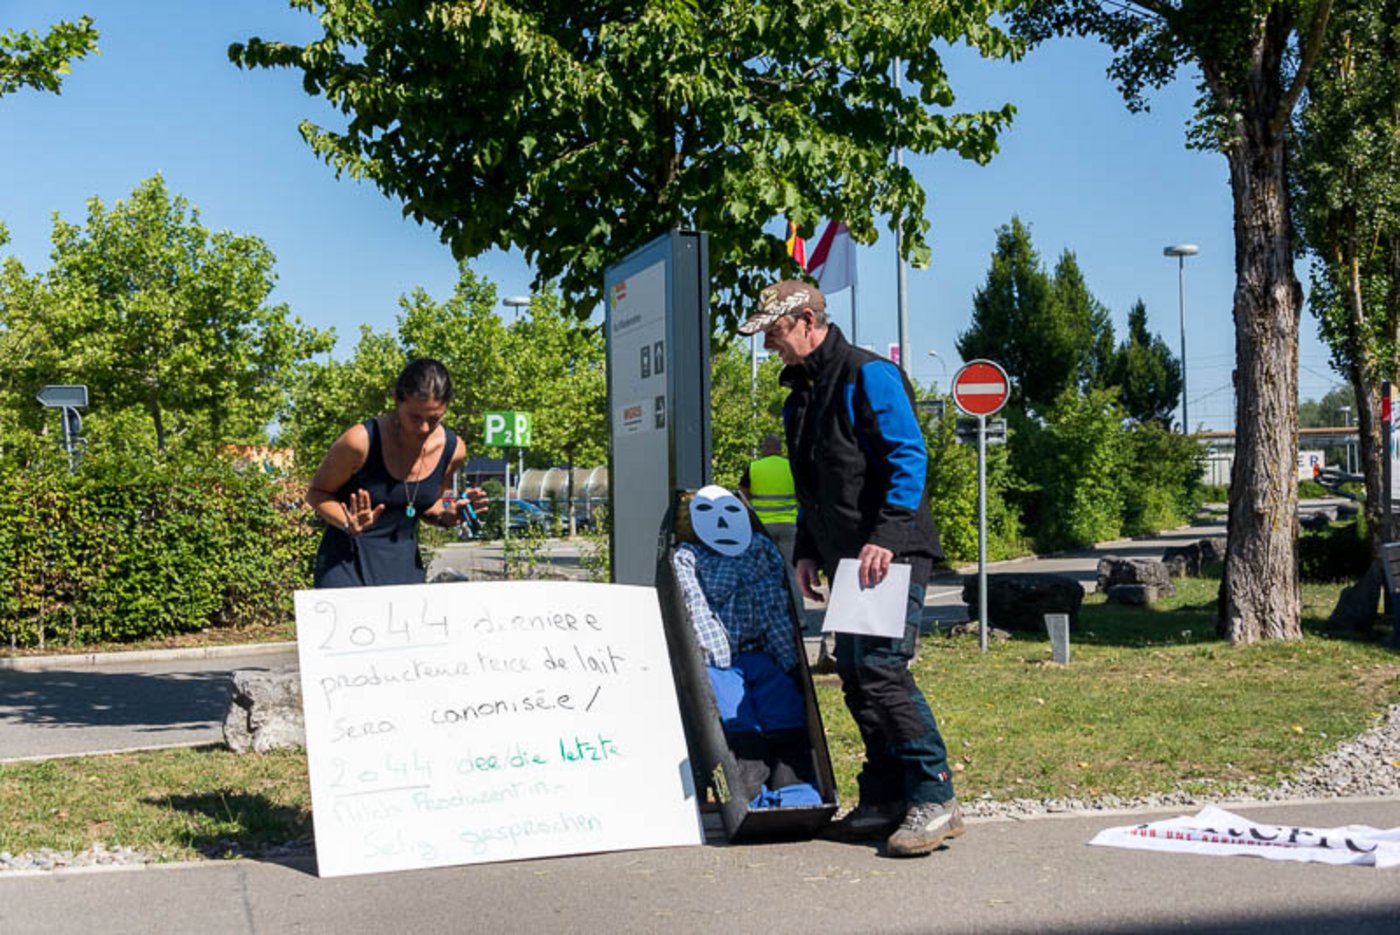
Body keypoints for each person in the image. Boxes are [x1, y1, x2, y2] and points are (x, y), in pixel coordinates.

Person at [737, 279, 960, 858]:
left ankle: (934, 796)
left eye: (776, 333)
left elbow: (908, 454)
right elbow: (813, 488)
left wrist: (886, 535)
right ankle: (885, 797)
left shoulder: (868, 375)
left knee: (882, 670)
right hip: (847, 559)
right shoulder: (799, 400)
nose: (770, 348)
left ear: (809, 321)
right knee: (857, 675)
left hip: (891, 551)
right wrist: (806, 549)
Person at [671, 485, 819, 808]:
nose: (722, 524)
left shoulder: (761, 550)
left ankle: (795, 788)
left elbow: (775, 604)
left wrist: (787, 659)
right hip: (722, 657)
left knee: (783, 707)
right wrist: (715, 657)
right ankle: (747, 793)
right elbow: (696, 609)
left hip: (762, 651)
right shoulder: (689, 558)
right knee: (734, 716)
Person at [306, 358, 486, 588]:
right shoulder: (359, 441)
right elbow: (317, 493)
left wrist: (447, 516)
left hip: (404, 569)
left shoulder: (453, 450)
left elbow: (426, 507)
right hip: (346, 566)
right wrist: (346, 522)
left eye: (434, 419)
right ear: (397, 399)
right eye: (414, 417)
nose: (423, 428)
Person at [738, 433, 798, 568]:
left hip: (762, 525)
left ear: (764, 448)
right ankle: (795, 590)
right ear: (780, 449)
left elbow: (742, 492)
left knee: (763, 568)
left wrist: (750, 512)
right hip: (789, 524)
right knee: (792, 569)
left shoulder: (754, 467)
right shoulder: (791, 466)